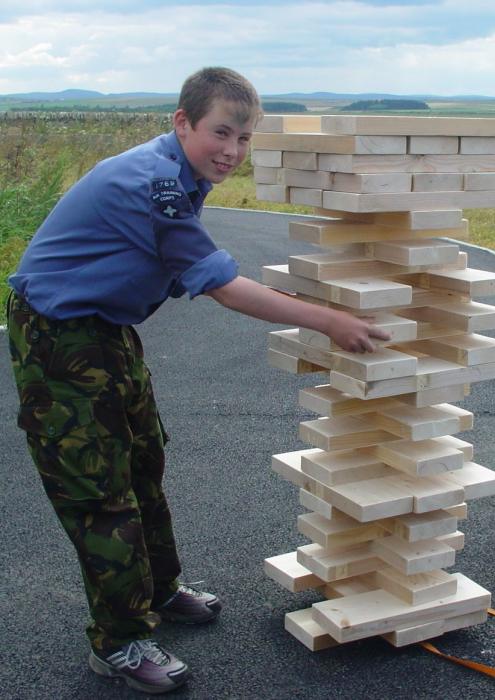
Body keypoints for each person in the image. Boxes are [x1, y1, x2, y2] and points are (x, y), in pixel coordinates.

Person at [6, 66, 390, 694]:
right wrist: (329, 322)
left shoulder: (181, 173)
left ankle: (158, 590)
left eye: (244, 138)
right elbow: (220, 287)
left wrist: (305, 297)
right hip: (59, 337)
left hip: (105, 330)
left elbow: (199, 263)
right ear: (182, 122)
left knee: (143, 461)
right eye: (221, 132)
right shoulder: (151, 183)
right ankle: (120, 643)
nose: (232, 152)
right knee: (100, 492)